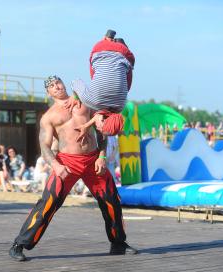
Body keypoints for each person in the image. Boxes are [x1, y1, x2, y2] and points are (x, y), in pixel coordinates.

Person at [9, 75, 137, 262]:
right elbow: (44, 146)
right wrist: (56, 165)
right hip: (67, 163)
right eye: (52, 86)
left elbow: (102, 130)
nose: (56, 87)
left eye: (58, 83)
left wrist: (102, 156)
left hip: (93, 160)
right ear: (48, 92)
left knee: (112, 200)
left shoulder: (86, 103)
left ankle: (118, 243)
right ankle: (19, 245)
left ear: (63, 83)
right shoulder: (49, 117)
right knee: (48, 203)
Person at [67, 29, 135, 141]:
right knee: (94, 73)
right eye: (99, 128)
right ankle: (106, 39)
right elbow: (75, 82)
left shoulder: (121, 106)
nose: (97, 129)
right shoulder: (90, 100)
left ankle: (116, 43)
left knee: (126, 83)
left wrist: (86, 126)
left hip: (125, 54)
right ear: (103, 119)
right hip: (99, 48)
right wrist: (75, 96)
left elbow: (102, 114)